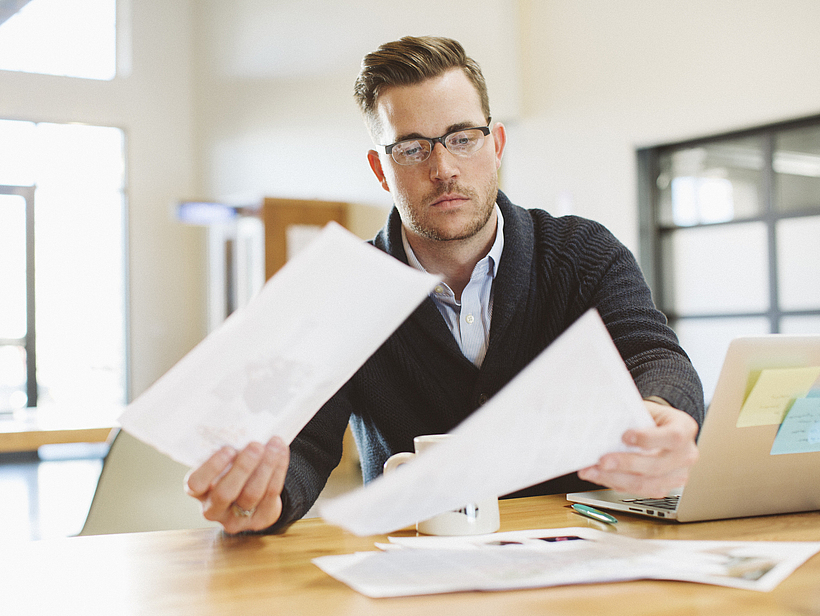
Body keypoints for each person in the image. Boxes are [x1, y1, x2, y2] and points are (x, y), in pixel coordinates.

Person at [185, 36, 704, 535]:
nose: (444, 168)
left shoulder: (583, 253)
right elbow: (304, 441)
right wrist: (266, 497)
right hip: (414, 564)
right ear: (381, 170)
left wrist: (662, 410)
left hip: (576, 553)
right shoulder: (345, 292)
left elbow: (650, 352)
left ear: (495, 144)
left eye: (462, 138)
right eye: (412, 149)